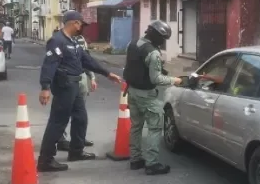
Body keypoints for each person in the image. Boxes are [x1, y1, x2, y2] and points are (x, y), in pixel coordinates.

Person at [38, 11, 122, 172]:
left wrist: (107, 73)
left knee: (81, 118)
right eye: (81, 24)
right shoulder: (57, 41)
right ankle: (45, 160)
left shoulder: (74, 42)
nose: (82, 27)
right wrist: (45, 87)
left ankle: (76, 151)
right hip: (64, 86)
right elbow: (49, 64)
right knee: (57, 122)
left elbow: (87, 60)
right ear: (74, 23)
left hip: (75, 86)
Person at [123, 20, 182, 175]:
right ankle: (152, 164)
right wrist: (174, 80)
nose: (163, 42)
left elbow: (135, 65)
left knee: (136, 126)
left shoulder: (134, 43)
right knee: (155, 127)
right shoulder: (153, 53)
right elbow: (156, 79)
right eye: (163, 38)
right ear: (156, 36)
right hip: (146, 95)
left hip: (132, 91)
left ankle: (135, 160)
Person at [56, 26, 98, 152]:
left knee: (80, 113)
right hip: (67, 79)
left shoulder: (80, 40)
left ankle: (79, 138)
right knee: (64, 111)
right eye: (77, 23)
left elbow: (86, 59)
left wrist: (92, 77)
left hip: (82, 77)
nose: (79, 27)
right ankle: (61, 140)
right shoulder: (61, 39)